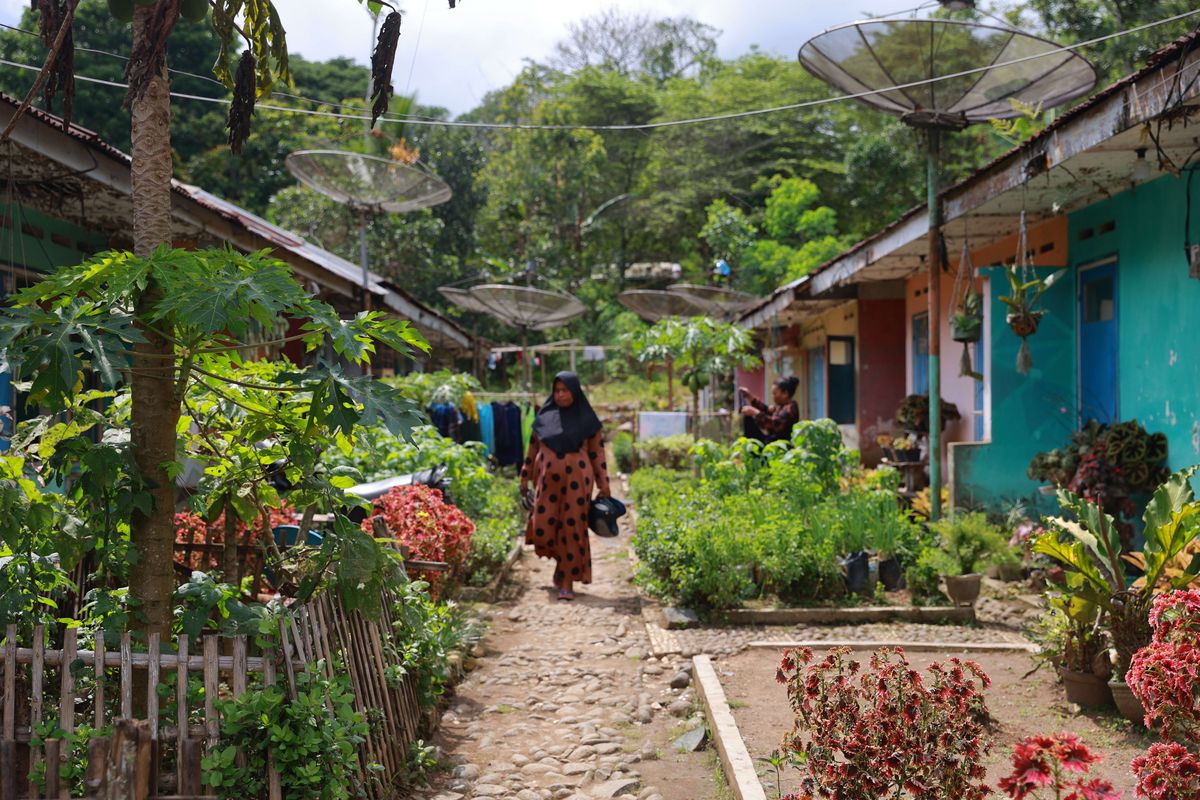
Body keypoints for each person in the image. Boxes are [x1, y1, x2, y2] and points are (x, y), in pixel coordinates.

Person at [520, 372, 611, 601]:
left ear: (575, 392)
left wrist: (604, 484)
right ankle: (561, 564)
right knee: (544, 525)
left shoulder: (587, 420)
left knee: (571, 527)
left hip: (577, 483)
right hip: (546, 483)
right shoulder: (544, 417)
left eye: (565, 390)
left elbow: (597, 454)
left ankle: (567, 580)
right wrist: (524, 476)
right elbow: (532, 449)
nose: (560, 395)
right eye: (557, 390)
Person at [738, 376, 801, 443]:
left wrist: (756, 413)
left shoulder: (790, 408)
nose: (773, 397)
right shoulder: (781, 407)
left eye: (774, 393)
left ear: (785, 393)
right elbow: (766, 410)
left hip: (780, 446)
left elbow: (774, 424)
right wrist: (750, 397)